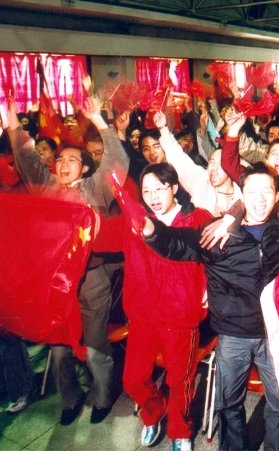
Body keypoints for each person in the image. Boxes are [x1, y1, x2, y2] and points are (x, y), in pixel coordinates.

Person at [142, 162, 279, 451]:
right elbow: (181, 243)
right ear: (241, 195)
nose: (260, 199)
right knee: (229, 404)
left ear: (277, 195)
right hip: (233, 334)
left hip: (273, 334)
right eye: (252, 191)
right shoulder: (219, 232)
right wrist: (153, 232)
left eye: (267, 191)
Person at [3, 88, 129, 426]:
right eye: (60, 160)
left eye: (72, 160)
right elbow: (27, 159)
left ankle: (102, 397)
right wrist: (10, 119)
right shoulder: (47, 190)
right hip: (57, 286)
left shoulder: (96, 189)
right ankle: (70, 400)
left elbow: (117, 163)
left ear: (85, 168)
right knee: (59, 352)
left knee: (96, 347)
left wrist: (99, 119)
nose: (63, 164)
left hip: (92, 281)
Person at [95, 163, 211, 451]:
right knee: (133, 379)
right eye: (147, 191)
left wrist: (210, 287)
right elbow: (98, 234)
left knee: (180, 381)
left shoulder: (198, 218)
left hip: (181, 315)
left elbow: (215, 257)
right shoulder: (134, 221)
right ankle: (154, 411)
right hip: (144, 315)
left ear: (174, 188)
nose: (153, 196)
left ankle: (181, 431)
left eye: (160, 188)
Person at [154, 111, 241, 217]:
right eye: (211, 162)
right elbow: (179, 160)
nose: (213, 168)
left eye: (220, 164)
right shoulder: (200, 182)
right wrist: (163, 128)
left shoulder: (244, 193)